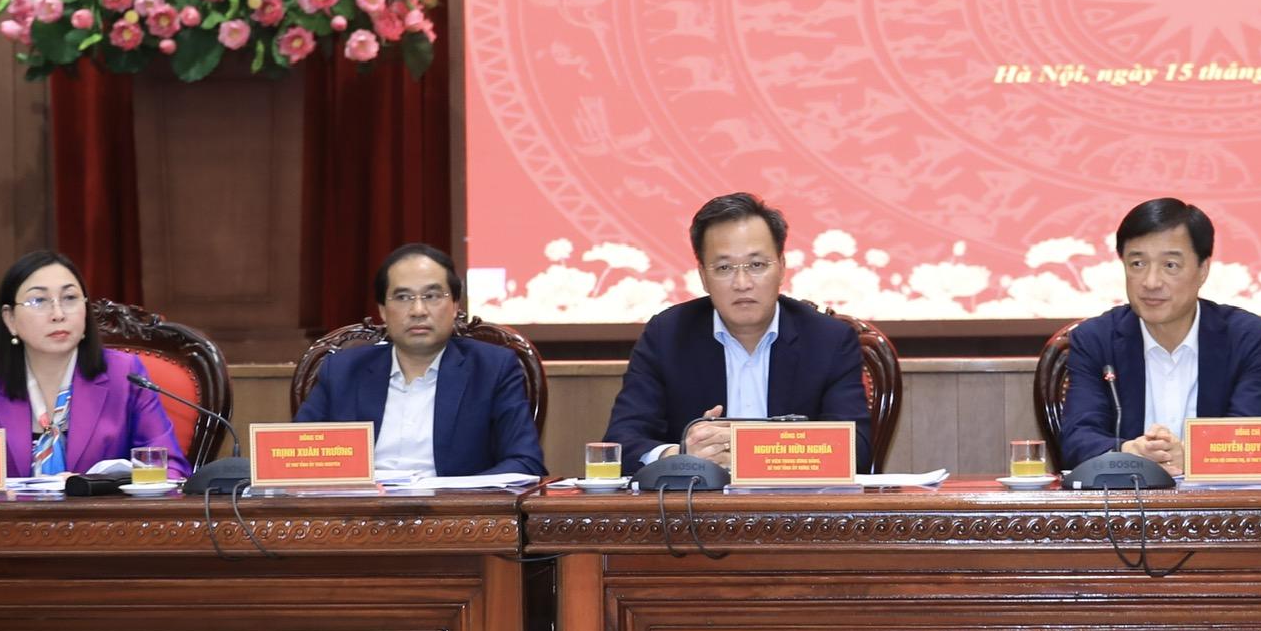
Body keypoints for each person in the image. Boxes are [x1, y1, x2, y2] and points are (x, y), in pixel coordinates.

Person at [604, 192, 874, 474]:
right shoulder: (667, 336)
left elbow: (856, 449)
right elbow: (620, 442)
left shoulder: (828, 340)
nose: (742, 283)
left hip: (795, 500)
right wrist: (682, 455)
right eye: (724, 268)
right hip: (697, 502)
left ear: (782, 267)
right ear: (703, 277)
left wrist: (754, 451)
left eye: (756, 265)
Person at [1055, 198, 1261, 471]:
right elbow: (1077, 440)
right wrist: (1129, 453)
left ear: (1203, 270)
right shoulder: (1096, 340)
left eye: (1170, 265)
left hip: (1219, 498)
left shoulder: (1247, 338)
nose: (1151, 282)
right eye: (1137, 263)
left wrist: (1193, 456)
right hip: (1125, 498)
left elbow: (1253, 439)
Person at [295, 244, 544, 477]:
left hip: (453, 508)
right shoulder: (343, 370)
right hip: (362, 507)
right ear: (382, 310)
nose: (418, 311)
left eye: (432, 296)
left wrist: (457, 496)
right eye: (403, 297)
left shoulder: (492, 368)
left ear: (455, 305)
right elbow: (296, 456)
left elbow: (525, 462)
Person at [0, 251, 186, 477]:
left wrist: (104, 488)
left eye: (69, 298)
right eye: (39, 300)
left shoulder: (125, 375)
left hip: (99, 512)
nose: (58, 314)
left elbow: (170, 468)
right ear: (10, 319)